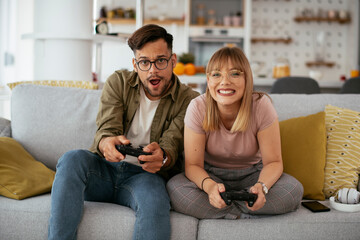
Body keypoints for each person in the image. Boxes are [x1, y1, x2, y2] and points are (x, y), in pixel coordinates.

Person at [48, 24, 199, 240]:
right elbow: (107, 129)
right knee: (72, 159)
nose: (152, 70)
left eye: (160, 61)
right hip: (103, 170)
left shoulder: (189, 100)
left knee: (156, 199)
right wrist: (106, 143)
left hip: (145, 177)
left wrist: (163, 157)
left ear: (173, 61)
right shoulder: (118, 82)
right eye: (144, 62)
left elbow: (172, 143)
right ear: (135, 64)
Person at [167, 47, 303, 219]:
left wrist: (261, 187)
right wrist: (210, 188)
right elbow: (193, 165)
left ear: (247, 79)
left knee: (293, 190)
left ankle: (230, 206)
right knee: (174, 188)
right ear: (208, 80)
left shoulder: (261, 105)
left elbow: (274, 162)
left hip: (253, 174)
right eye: (216, 74)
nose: (225, 81)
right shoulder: (198, 107)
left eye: (235, 74)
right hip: (211, 174)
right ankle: (243, 208)